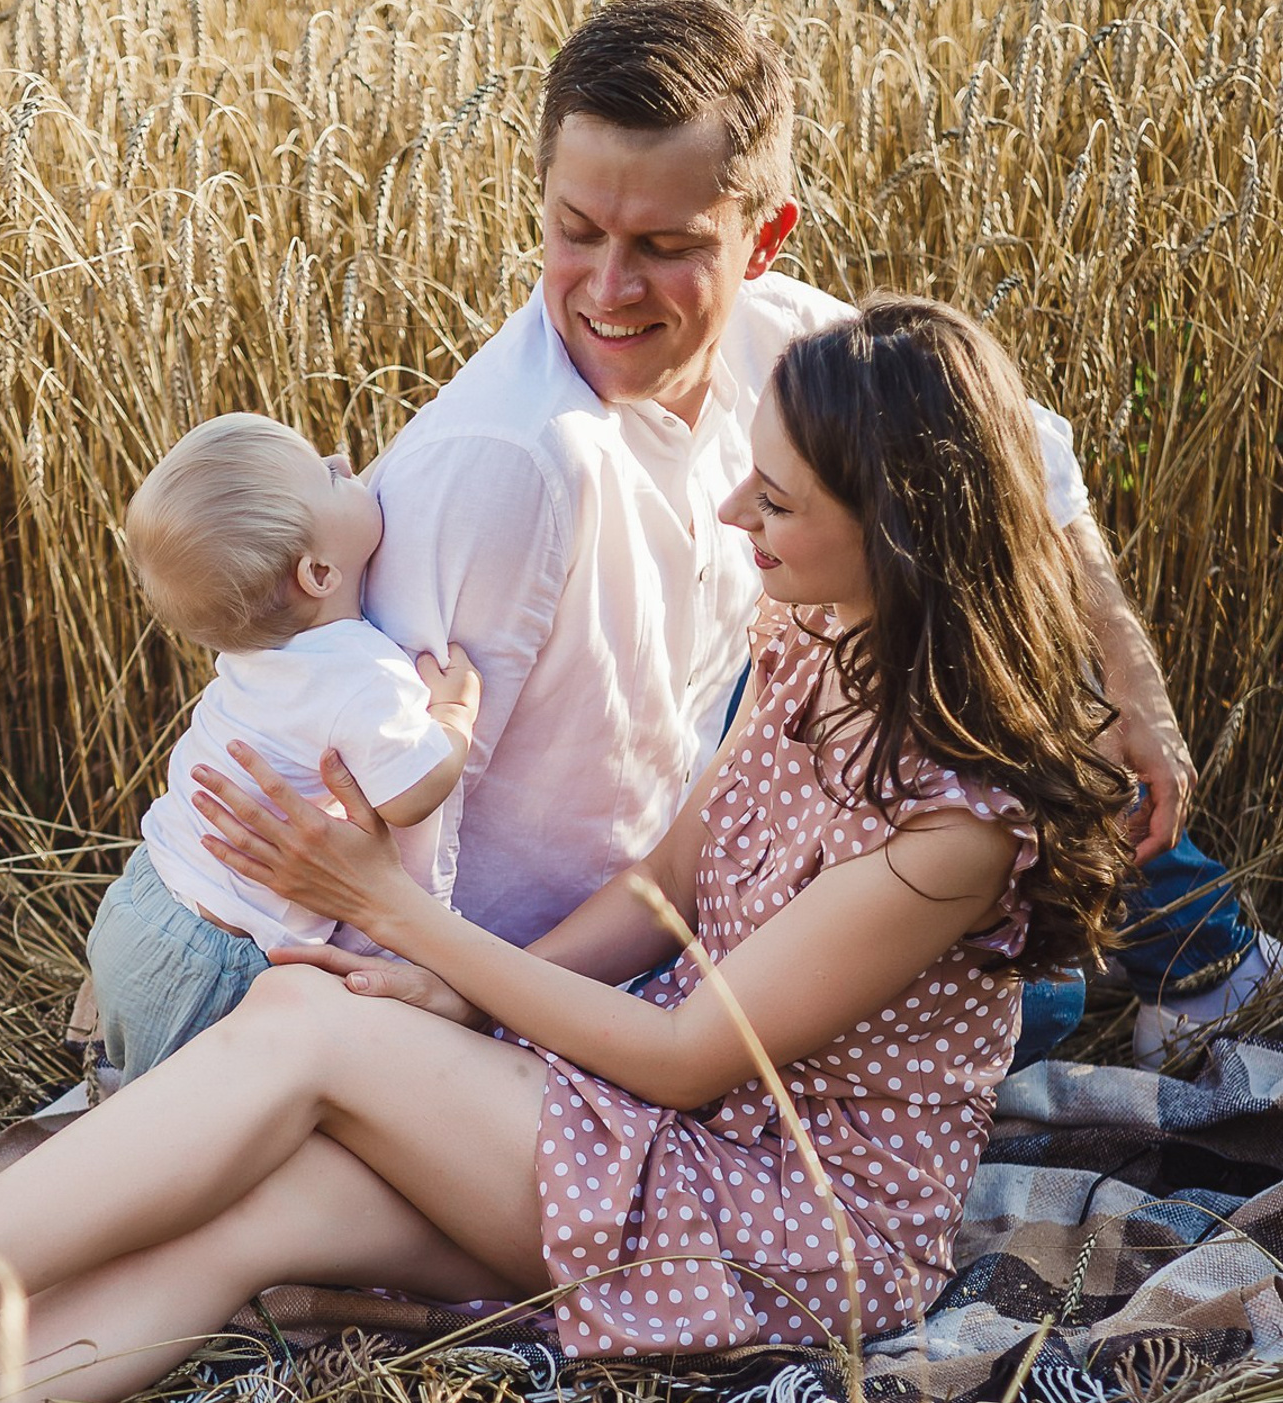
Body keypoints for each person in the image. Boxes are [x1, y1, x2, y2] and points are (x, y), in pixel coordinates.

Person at [0, 297, 1132, 1403]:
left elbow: (690, 1055)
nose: (734, 508)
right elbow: (659, 886)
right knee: (266, 1210)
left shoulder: (955, 829)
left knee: (306, 1028)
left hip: (781, 1214)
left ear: (903, 528)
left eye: (776, 497)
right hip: (663, 1125)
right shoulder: (818, 643)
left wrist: (395, 917)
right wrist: (432, 979)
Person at [355, 0, 1268, 1073]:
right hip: (586, 947)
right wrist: (445, 995)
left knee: (954, 576)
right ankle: (1145, 972)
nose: (607, 289)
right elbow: (368, 776)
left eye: (666, 246)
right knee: (1024, 982)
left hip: (731, 860)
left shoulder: (784, 340)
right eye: (576, 231)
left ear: (765, 235)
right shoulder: (504, 461)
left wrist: (1131, 687)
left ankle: (1201, 963)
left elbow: (1017, 461)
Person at [85, 414, 481, 1080]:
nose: (344, 459)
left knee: (135, 1088)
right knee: (188, 1120)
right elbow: (410, 795)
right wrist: (452, 715)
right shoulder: (362, 673)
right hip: (215, 952)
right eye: (328, 477)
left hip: (143, 895)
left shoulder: (252, 654)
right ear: (320, 572)